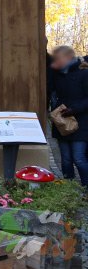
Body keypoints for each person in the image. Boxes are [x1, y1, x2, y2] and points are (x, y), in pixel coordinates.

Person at [49, 45, 88, 187]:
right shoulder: (56, 75)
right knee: (65, 160)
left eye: (58, 59)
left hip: (80, 123)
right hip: (62, 122)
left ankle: (86, 188)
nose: (56, 62)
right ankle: (68, 190)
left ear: (68, 58)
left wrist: (73, 109)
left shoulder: (84, 74)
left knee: (79, 158)